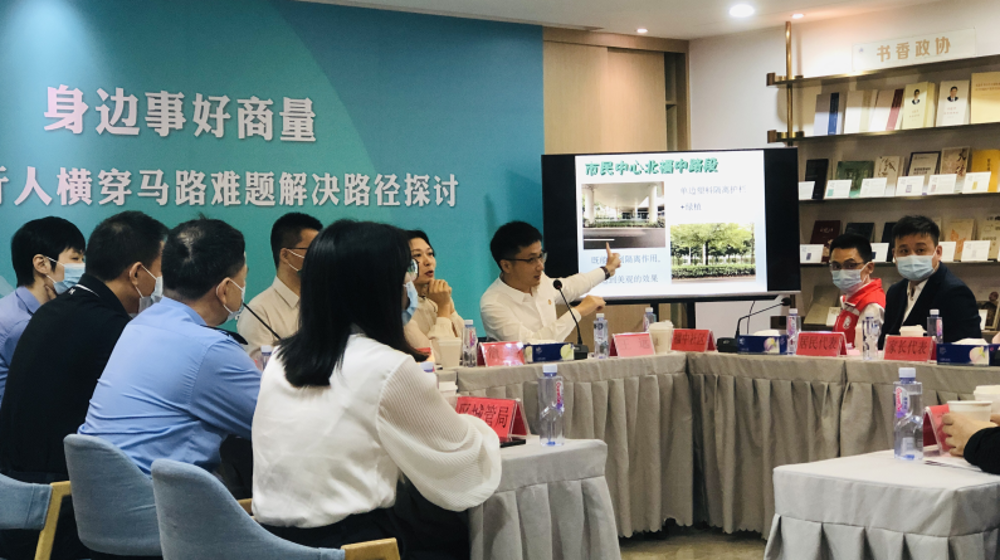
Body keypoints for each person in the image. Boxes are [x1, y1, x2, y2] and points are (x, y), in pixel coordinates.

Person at [252, 220, 500, 559]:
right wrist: (481, 427)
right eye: (405, 273)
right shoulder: (386, 365)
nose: (409, 284)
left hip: (272, 543)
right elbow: (459, 458)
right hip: (355, 544)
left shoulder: (279, 358)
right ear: (380, 288)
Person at [0, 211, 167, 560]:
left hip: (23, 503)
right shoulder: (108, 326)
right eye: (160, 271)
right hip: (60, 510)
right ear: (137, 273)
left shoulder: (58, 309)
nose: (160, 284)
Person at [80, 218, 260, 477]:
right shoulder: (210, 349)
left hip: (106, 495)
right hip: (160, 499)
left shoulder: (139, 325)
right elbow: (279, 423)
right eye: (243, 279)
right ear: (225, 289)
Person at [480, 221, 620, 343]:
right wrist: (577, 312)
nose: (540, 266)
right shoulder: (493, 304)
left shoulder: (541, 282)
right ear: (506, 266)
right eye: (531, 259)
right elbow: (531, 346)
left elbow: (571, 286)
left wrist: (607, 269)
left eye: (540, 256)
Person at [0, 217, 85, 404]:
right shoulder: (23, 325)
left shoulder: (20, 308)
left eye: (83, 259)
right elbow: (61, 384)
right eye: (75, 259)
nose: (82, 267)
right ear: (41, 264)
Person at [880, 215, 981, 348]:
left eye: (920, 250)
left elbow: (971, 350)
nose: (912, 256)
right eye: (904, 251)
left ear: (938, 252)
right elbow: (883, 344)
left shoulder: (955, 292)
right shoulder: (895, 292)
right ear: (894, 255)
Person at [238, 212, 321, 361]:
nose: (319, 257)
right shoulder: (259, 312)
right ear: (285, 255)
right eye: (312, 250)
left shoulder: (324, 302)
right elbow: (260, 371)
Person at [404, 230, 465, 349]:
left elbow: (468, 346)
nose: (428, 262)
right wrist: (443, 309)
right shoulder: (401, 311)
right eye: (417, 255)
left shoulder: (437, 296)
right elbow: (436, 355)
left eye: (430, 253)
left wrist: (448, 306)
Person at [828, 234, 885, 349]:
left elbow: (864, 353)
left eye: (850, 265)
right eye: (836, 266)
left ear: (869, 267)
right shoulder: (851, 298)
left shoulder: (871, 305)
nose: (842, 272)